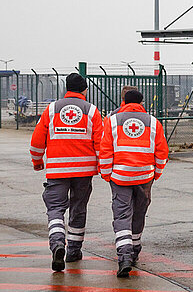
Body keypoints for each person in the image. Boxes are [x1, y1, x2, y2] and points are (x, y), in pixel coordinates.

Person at [29, 72, 102, 271]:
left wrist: (37, 161)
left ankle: (57, 244)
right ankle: (73, 252)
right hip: (84, 171)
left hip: (57, 170)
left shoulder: (52, 109)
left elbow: (37, 140)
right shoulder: (92, 111)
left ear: (66, 89)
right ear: (85, 89)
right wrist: (103, 168)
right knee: (78, 209)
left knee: (55, 209)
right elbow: (100, 144)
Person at [98, 89, 168, 277]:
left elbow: (105, 150)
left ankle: (124, 256)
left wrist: (106, 174)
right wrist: (156, 174)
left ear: (124, 101)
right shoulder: (153, 122)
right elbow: (162, 152)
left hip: (119, 177)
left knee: (122, 215)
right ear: (141, 102)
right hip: (145, 177)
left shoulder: (112, 121)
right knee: (139, 213)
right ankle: (135, 249)